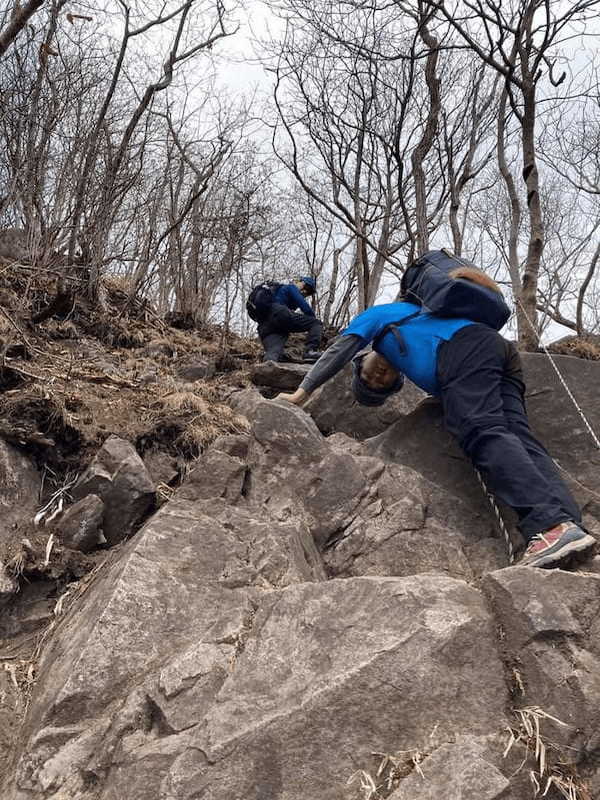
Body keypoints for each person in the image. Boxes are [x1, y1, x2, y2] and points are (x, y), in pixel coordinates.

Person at [275, 284, 595, 569]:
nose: (376, 377)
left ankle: (551, 525)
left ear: (364, 359)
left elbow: (338, 349)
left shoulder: (387, 316)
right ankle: (569, 526)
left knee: (481, 431)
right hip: (495, 350)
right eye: (379, 384)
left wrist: (301, 394)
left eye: (370, 376)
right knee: (517, 437)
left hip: (465, 348)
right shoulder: (419, 345)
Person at [257, 276, 323, 363]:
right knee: (316, 323)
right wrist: (314, 321)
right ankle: (310, 351)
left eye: (308, 292)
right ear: (299, 282)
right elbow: (304, 306)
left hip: (265, 326)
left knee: (273, 352)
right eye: (306, 287)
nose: (305, 292)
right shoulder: (290, 287)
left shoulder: (276, 295)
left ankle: (267, 367)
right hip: (280, 313)